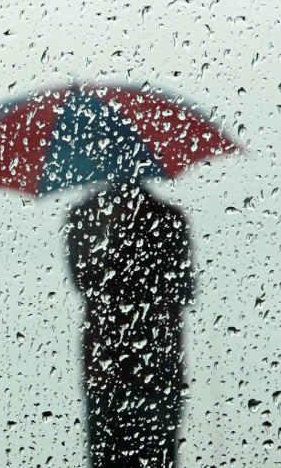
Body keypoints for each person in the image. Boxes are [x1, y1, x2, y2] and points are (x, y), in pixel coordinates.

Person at [65, 179, 195, 468]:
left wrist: (125, 244)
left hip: (151, 371)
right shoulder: (85, 216)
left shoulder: (166, 219)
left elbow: (182, 288)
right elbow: (84, 281)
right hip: (115, 372)